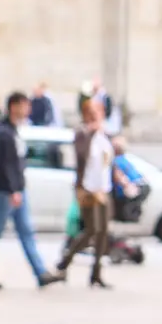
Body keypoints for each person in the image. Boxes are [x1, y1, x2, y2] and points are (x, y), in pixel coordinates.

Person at [0, 108, 56, 288]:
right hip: (6, 192)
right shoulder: (4, 134)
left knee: (26, 231)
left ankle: (40, 272)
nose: (28, 110)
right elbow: (4, 166)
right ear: (15, 106)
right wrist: (13, 190)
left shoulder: (13, 132)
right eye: (24, 105)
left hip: (16, 190)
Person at [59, 96, 118, 287]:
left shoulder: (104, 135)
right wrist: (92, 133)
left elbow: (108, 161)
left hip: (104, 188)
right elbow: (81, 155)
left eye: (98, 112)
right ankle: (65, 261)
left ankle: (96, 272)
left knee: (103, 232)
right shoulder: (82, 134)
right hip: (88, 188)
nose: (95, 116)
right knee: (92, 229)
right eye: (91, 113)